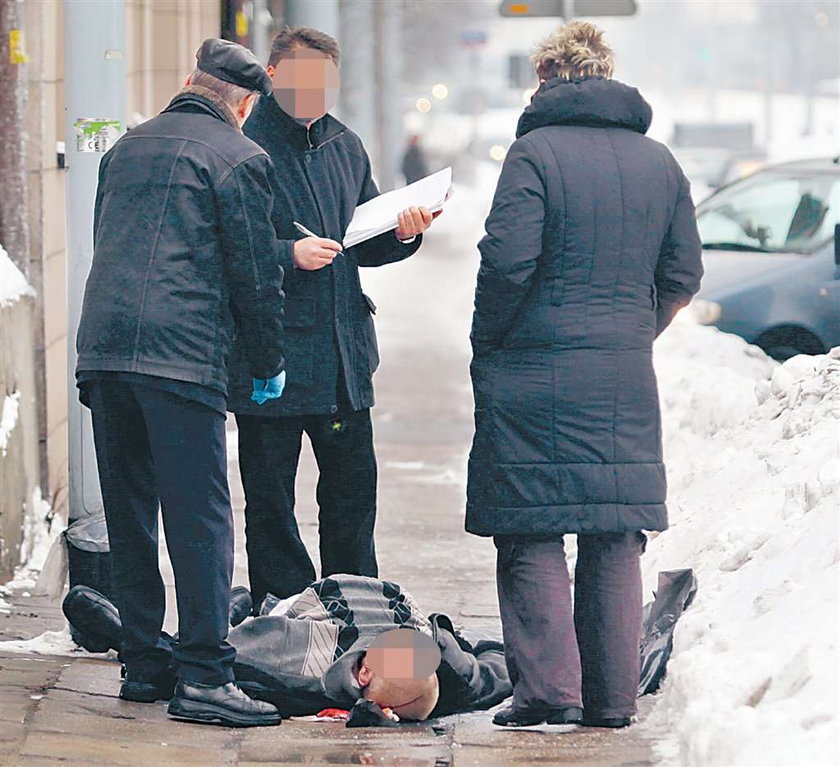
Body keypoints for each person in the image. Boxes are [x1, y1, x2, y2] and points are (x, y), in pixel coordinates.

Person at [466, 21, 703, 729]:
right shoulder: (660, 162)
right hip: (622, 375)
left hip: (532, 371)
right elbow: (683, 272)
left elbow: (508, 261)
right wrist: (633, 329)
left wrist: (492, 340)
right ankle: (611, 698)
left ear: (547, 77)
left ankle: (547, 690)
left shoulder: (533, 154)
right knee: (614, 531)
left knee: (532, 526)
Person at [75, 39, 288, 727]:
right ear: (247, 104)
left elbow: (110, 241)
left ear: (188, 80)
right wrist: (267, 363)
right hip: (181, 356)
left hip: (105, 354)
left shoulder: (125, 149)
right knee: (200, 519)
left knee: (130, 512)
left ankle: (142, 662)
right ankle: (204, 674)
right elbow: (256, 277)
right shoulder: (243, 158)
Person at [228, 27, 438, 607]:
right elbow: (223, 246)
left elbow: (361, 243)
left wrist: (402, 234)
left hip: (343, 356)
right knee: (270, 498)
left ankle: (355, 606)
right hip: (271, 355)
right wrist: (287, 254)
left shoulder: (345, 144)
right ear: (273, 76)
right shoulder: (245, 145)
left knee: (351, 495)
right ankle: (286, 613)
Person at [62, 575, 513, 722]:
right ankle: (235, 613)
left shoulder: (303, 684)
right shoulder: (456, 673)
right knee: (207, 655)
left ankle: (124, 633)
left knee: (187, 665)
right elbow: (498, 668)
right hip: (308, 614)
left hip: (281, 633)